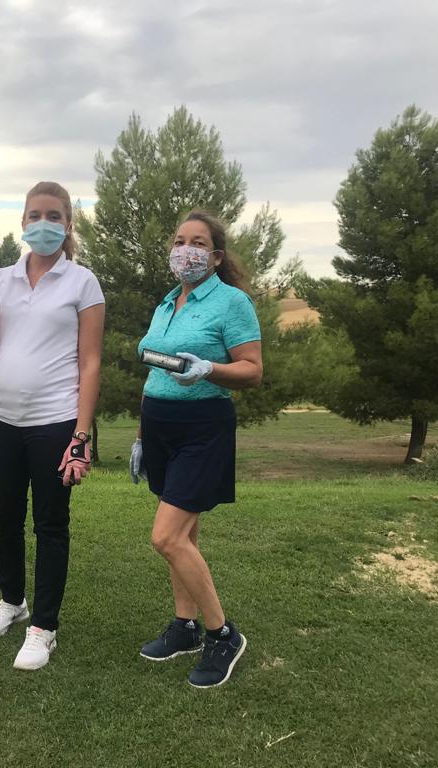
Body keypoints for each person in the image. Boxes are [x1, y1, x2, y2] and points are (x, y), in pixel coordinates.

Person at [0, 181, 105, 670]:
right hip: (4, 419)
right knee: (4, 518)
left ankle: (44, 627)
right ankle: (13, 601)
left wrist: (81, 435)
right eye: (34, 215)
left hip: (56, 421)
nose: (42, 223)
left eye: (53, 216)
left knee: (50, 525)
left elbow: (90, 362)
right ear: (22, 222)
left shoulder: (82, 282)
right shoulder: (0, 279)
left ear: (67, 225)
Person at [134, 209, 263, 689]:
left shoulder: (232, 302)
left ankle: (223, 634)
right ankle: (184, 626)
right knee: (186, 535)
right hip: (159, 427)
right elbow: (154, 370)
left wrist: (210, 369)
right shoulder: (167, 302)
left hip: (202, 428)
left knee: (166, 537)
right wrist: (141, 437)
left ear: (216, 256)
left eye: (198, 243)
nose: (185, 250)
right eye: (179, 241)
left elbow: (252, 370)